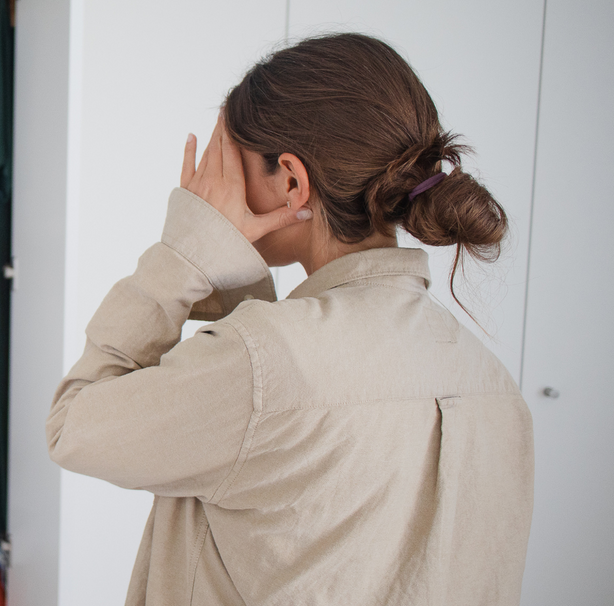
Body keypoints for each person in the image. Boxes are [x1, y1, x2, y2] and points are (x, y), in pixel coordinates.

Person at [47, 33, 533, 606]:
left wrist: (182, 257)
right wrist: (233, 269)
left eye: (225, 166)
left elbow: (73, 427)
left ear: (292, 182)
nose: (213, 186)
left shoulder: (263, 364)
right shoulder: (495, 386)